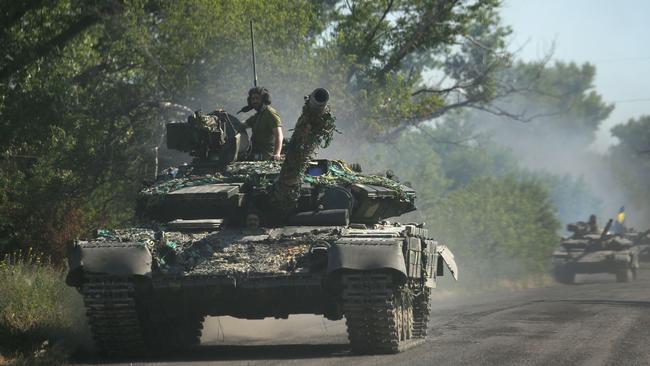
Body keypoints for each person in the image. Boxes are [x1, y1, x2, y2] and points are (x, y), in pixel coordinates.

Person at [239, 87, 283, 160]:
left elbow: (279, 135)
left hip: (266, 155)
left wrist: (276, 154)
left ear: (264, 99)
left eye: (257, 98)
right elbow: (242, 125)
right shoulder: (258, 115)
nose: (254, 101)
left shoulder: (270, 114)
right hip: (254, 151)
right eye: (252, 99)